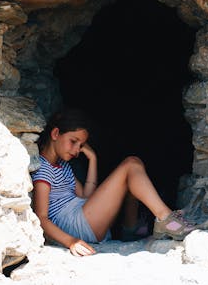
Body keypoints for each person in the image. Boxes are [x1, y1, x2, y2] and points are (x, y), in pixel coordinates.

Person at [31, 109, 195, 256]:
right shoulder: (43, 169)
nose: (76, 150)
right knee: (132, 164)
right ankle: (166, 218)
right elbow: (41, 217)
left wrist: (93, 158)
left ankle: (130, 232)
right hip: (72, 226)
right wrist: (71, 241)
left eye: (80, 145)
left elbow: (86, 195)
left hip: (81, 215)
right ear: (55, 134)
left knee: (133, 183)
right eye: (73, 141)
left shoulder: (62, 165)